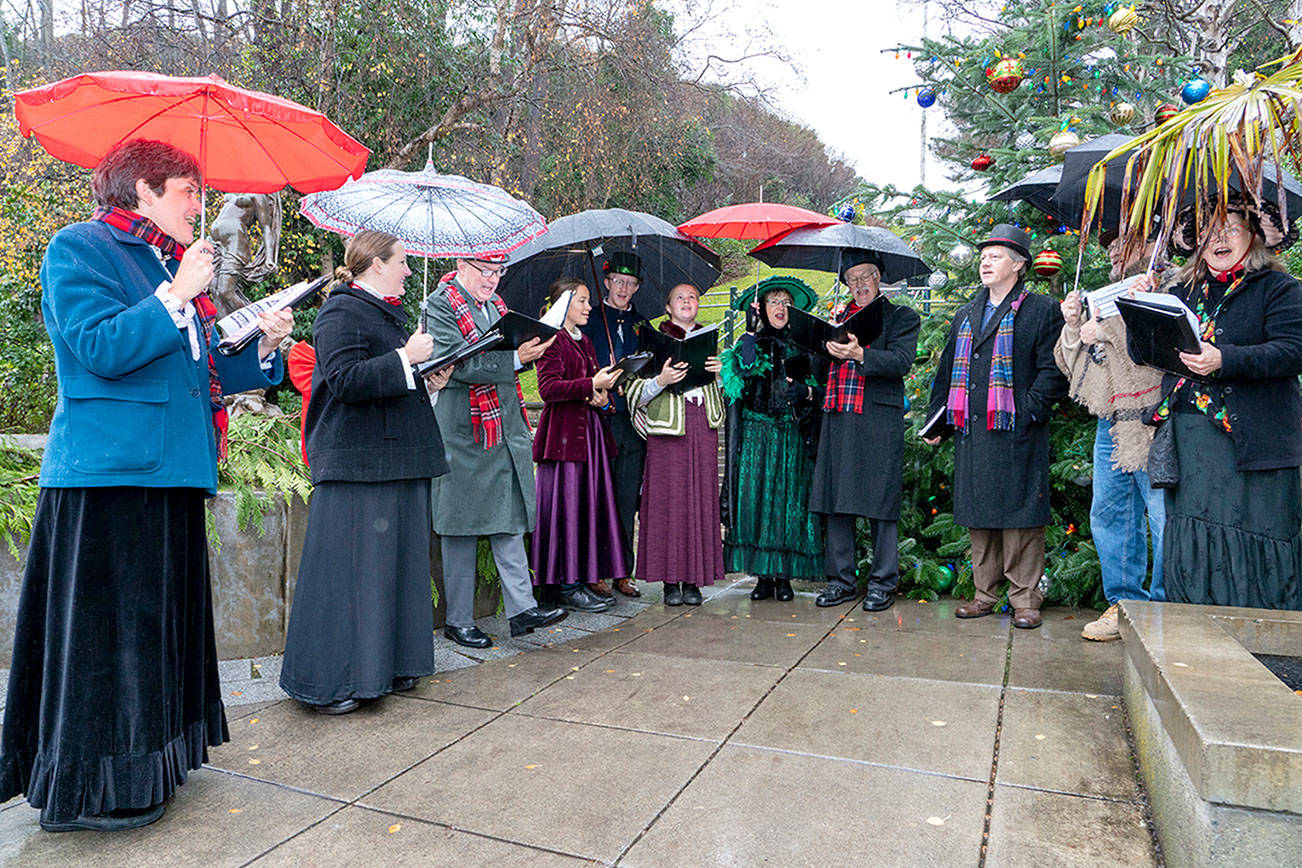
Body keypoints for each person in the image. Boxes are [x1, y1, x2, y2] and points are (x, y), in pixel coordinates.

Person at [0, 138, 291, 832]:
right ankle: (95, 787)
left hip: (171, 473)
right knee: (111, 643)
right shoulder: (79, 249)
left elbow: (198, 371)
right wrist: (177, 295)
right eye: (189, 191)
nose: (200, 205)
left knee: (154, 635)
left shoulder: (166, 262)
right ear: (144, 192)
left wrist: (265, 346)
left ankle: (151, 763)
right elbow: (98, 348)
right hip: (109, 478)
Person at [279, 231, 452, 714]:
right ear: (376, 264)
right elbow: (344, 380)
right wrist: (406, 359)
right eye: (402, 262)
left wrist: (428, 378)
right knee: (350, 578)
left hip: (394, 461)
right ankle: (333, 681)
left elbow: (388, 384)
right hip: (358, 464)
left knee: (392, 573)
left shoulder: (387, 314)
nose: (409, 271)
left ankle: (387, 668)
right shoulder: (341, 310)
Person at [1137, 194, 1302, 610]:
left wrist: (1224, 360)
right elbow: (1144, 353)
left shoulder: (1280, 289)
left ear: (1254, 235)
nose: (1218, 238)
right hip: (1192, 440)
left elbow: (1293, 351)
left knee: (1258, 537)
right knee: (1195, 537)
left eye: (1230, 228)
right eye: (1209, 230)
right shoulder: (1178, 291)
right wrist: (1142, 305)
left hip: (1257, 442)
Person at [925, 225, 1068, 629]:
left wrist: (1028, 410)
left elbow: (1053, 370)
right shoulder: (967, 313)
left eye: (996, 255)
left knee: (1021, 516)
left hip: (1018, 430)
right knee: (979, 515)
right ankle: (984, 594)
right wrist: (939, 420)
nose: (986, 262)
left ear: (1019, 265)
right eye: (984, 255)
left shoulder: (1041, 310)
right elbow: (945, 372)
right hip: (973, 431)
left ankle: (1025, 599)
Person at [424, 256, 567, 645]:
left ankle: (522, 610)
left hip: (502, 428)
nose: (491, 280)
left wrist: (528, 349)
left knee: (508, 519)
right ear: (461, 265)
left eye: (497, 272)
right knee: (460, 529)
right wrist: (516, 359)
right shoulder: (440, 304)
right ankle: (458, 620)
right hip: (463, 432)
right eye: (484, 271)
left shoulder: (497, 306)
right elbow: (456, 363)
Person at [1055, 229, 1166, 641]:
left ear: (1150, 244)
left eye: (1124, 245)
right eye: (1111, 249)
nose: (1115, 254)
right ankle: (1123, 606)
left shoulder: (1168, 285)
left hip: (1156, 421)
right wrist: (1073, 326)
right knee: (1110, 513)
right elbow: (1072, 363)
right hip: (1112, 422)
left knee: (1163, 517)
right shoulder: (1104, 297)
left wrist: (1112, 331)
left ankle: (1165, 611)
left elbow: (1169, 350)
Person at [810, 253, 921, 612]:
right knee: (835, 500)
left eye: (865, 277)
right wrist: (823, 343)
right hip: (837, 416)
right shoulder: (837, 319)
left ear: (878, 279)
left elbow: (901, 362)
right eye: (852, 278)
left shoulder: (901, 317)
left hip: (876, 420)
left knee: (879, 501)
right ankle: (840, 581)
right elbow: (817, 369)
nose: (858, 284)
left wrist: (860, 355)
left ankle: (882, 582)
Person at [719, 276, 825, 601]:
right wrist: (750, 333)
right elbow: (744, 371)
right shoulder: (747, 342)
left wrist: (805, 391)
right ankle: (763, 577)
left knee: (788, 505)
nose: (780, 307)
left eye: (786, 302)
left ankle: (784, 577)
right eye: (774, 301)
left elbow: (822, 388)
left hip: (790, 434)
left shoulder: (805, 344)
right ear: (761, 308)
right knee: (756, 501)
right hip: (755, 432)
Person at [625, 283, 725, 605]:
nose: (687, 302)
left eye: (692, 297)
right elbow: (631, 391)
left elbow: (727, 392)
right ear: (668, 306)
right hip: (666, 430)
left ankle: (693, 580)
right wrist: (660, 381)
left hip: (702, 426)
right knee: (669, 503)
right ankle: (670, 581)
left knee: (700, 500)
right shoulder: (651, 340)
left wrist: (722, 374)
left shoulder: (711, 342)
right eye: (679, 298)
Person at [532, 277, 628, 611]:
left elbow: (589, 391)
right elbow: (548, 389)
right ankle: (565, 585)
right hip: (563, 440)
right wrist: (591, 383)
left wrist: (602, 394)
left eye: (589, 301)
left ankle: (582, 577)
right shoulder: (552, 340)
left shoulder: (584, 341)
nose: (589, 307)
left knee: (586, 509)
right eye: (582, 300)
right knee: (567, 510)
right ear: (563, 303)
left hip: (590, 436)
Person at [579, 251, 650, 598]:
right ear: (606, 282)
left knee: (625, 498)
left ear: (637, 288)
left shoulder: (643, 325)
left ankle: (623, 569)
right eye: (618, 281)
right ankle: (595, 570)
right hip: (597, 420)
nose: (623, 288)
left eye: (630, 283)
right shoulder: (589, 320)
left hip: (631, 423)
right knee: (596, 498)